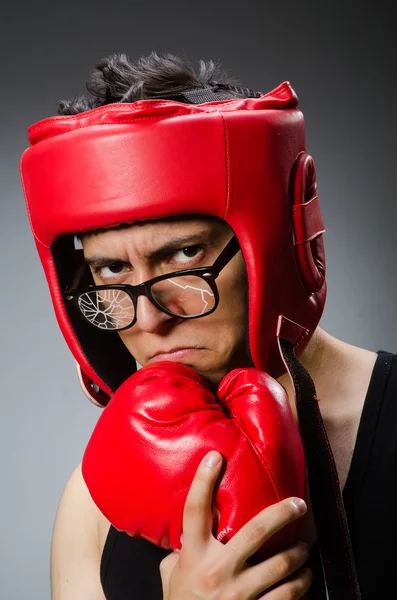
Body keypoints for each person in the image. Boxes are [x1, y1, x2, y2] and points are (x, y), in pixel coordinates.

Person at [21, 52, 397, 600]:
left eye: (184, 257)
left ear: (271, 243)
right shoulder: (93, 503)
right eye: (112, 269)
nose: (148, 318)